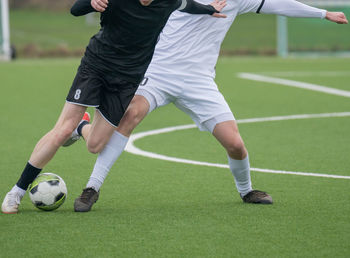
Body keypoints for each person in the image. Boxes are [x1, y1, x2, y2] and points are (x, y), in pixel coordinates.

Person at [68, 0, 348, 212]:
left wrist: (323, 13)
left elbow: (278, 4)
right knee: (130, 114)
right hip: (158, 73)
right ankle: (91, 188)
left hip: (199, 82)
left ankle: (247, 190)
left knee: (235, 143)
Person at [1, 0, 228, 214]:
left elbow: (188, 5)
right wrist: (91, 3)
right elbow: (75, 9)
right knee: (62, 128)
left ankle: (80, 127)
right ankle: (17, 191)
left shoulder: (168, 1)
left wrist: (208, 9)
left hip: (127, 80)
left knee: (95, 145)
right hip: (96, 66)